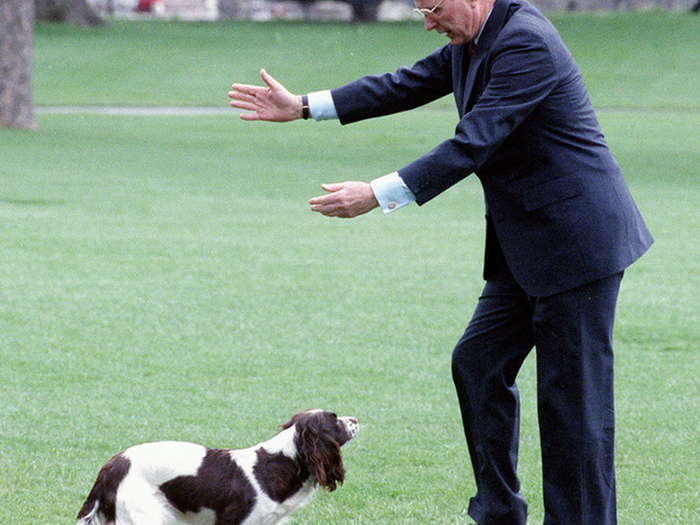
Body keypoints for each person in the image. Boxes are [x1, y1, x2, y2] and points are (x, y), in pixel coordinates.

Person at [228, 0, 653, 522]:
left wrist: (378, 194)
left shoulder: (526, 42)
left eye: (432, 7)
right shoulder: (469, 41)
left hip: (576, 243)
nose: (427, 22)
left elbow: (472, 142)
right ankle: (499, 512)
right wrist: (304, 105)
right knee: (477, 364)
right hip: (525, 247)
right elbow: (400, 84)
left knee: (572, 406)